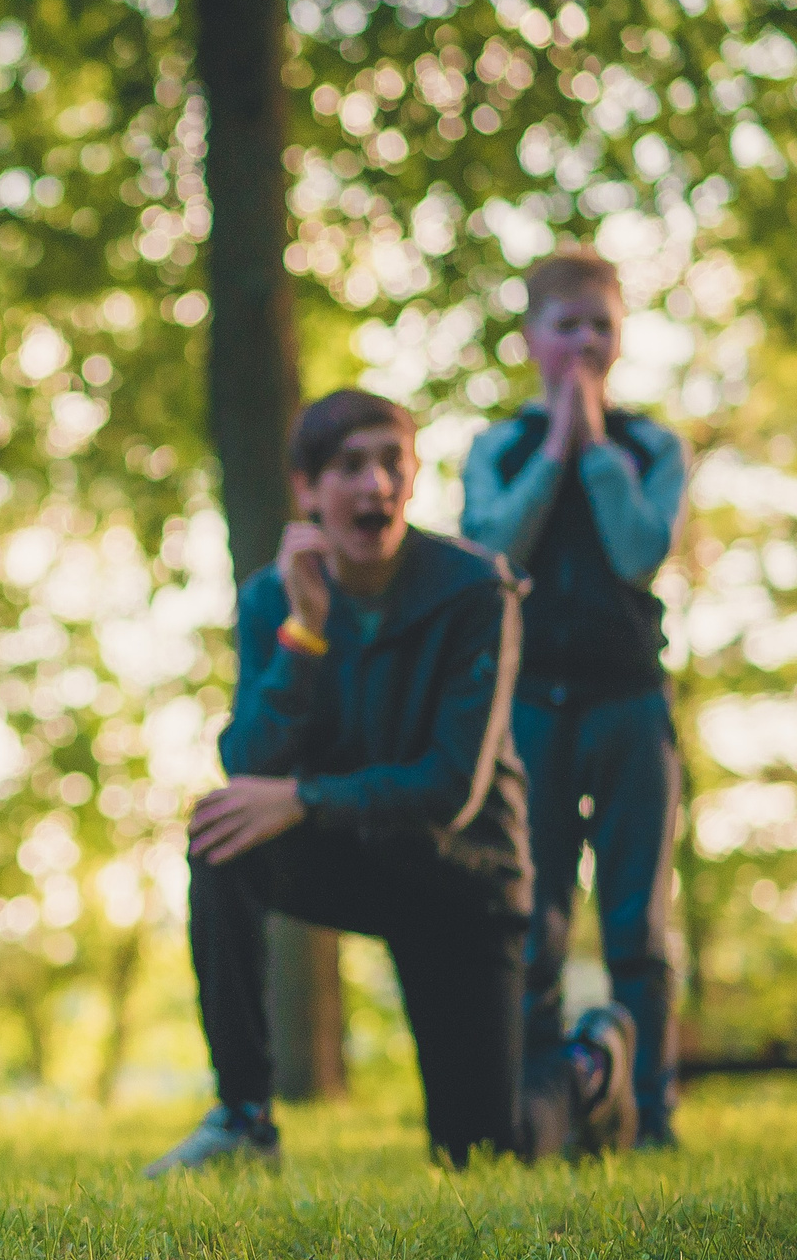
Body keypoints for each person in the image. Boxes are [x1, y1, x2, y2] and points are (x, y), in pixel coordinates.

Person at [145, 389, 635, 1176]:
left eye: (391, 464)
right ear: (308, 488)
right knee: (221, 835)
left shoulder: (478, 590)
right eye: (350, 466)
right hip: (357, 855)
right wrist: (306, 632)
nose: (374, 484)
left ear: (411, 479)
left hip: (463, 878)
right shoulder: (272, 597)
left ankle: (591, 1064)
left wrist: (304, 798)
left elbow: (451, 787)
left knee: (482, 1152)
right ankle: (244, 1118)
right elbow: (250, 764)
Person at [461, 251, 687, 1149]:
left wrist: (596, 451)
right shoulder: (499, 448)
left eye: (602, 325)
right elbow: (494, 552)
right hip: (528, 710)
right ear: (532, 338)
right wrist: (557, 446)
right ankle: (541, 1104)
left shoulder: (653, 447)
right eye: (568, 325)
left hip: (630, 703)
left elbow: (639, 552)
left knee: (638, 921)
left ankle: (650, 1111)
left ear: (622, 338)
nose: (585, 342)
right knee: (534, 916)